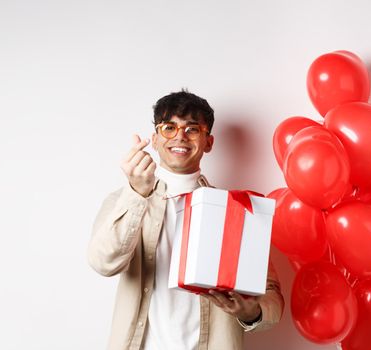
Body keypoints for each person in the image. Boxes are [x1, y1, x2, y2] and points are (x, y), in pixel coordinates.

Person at [87, 89, 284, 350]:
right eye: (169, 127)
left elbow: (272, 294)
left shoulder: (239, 210)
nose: (180, 136)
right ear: (155, 140)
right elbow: (103, 262)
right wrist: (137, 193)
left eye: (192, 129)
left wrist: (252, 312)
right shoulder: (124, 200)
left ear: (209, 142)